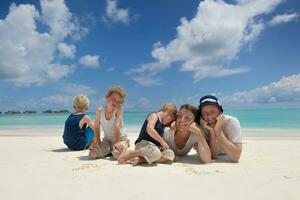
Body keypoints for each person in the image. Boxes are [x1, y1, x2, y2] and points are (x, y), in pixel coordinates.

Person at [88, 86, 129, 159]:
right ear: (107, 97)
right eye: (113, 99)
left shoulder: (118, 110)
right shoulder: (99, 111)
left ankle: (121, 147)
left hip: (121, 139)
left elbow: (117, 126)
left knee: (117, 155)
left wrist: (117, 142)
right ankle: (110, 150)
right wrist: (97, 140)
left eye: (118, 101)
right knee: (92, 154)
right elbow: (96, 127)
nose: (115, 102)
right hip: (107, 141)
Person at [197, 95, 242, 162]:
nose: (209, 117)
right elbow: (212, 156)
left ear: (220, 112)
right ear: (201, 115)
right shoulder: (202, 125)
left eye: (213, 112)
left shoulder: (232, 121)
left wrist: (218, 131)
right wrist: (211, 132)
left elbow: (236, 157)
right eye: (205, 113)